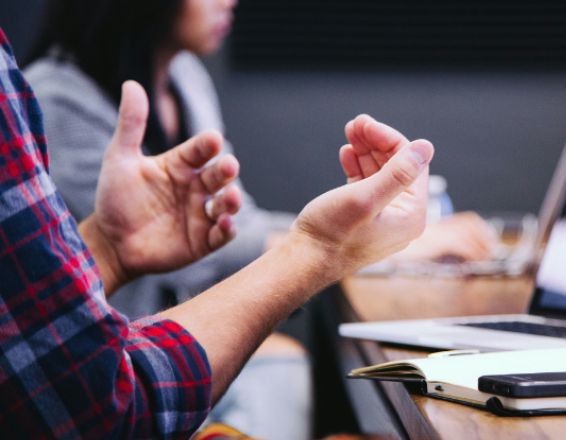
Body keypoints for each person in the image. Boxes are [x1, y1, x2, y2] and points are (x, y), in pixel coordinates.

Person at [1, 25, 434, 438]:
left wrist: (108, 250)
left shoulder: (185, 75)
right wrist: (322, 248)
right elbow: (99, 409)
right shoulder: (57, 97)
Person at [25, 0, 497, 320]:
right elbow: (197, 255)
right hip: (118, 363)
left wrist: (360, 238)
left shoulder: (185, 77)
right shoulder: (54, 100)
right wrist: (373, 245)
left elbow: (233, 221)